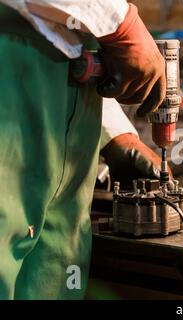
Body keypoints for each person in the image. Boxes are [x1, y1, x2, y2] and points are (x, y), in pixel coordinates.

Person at [0, 0, 165, 299]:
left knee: (57, 278)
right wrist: (117, 20)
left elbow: (68, 48)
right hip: (9, 64)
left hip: (71, 110)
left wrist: (114, 133)